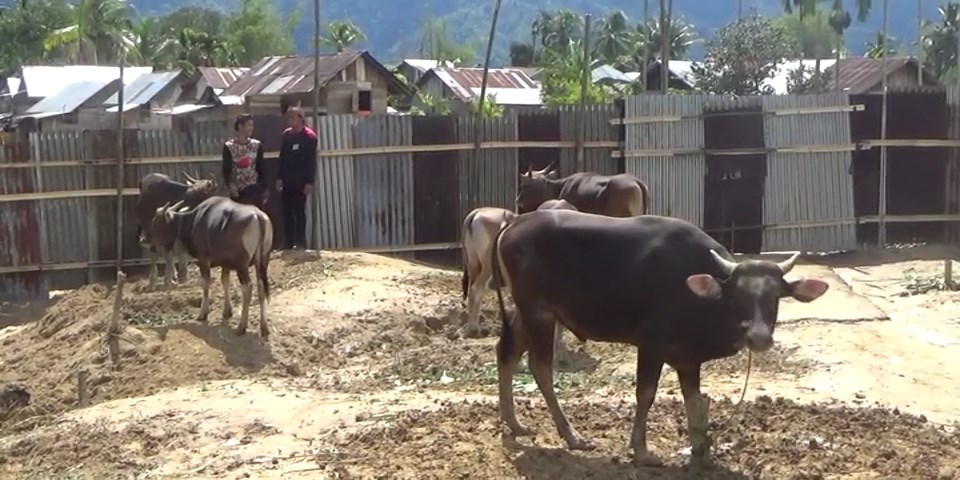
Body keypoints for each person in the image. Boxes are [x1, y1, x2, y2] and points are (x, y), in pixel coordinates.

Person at [276, 106, 317, 250]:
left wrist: (309, 182)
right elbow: (283, 157)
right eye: (288, 118)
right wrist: (280, 177)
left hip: (301, 181)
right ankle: (288, 241)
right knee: (286, 210)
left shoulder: (309, 137)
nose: (289, 121)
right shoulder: (287, 135)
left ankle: (300, 242)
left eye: (292, 118)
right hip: (288, 180)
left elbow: (311, 161)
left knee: (299, 211)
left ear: (301, 118)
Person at [222, 114, 267, 206]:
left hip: (254, 188)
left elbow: (261, 167)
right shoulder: (229, 147)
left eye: (252, 125)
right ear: (240, 126)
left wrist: (264, 187)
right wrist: (231, 186)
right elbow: (226, 169)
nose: (251, 128)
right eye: (249, 125)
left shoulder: (256, 145)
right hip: (238, 191)